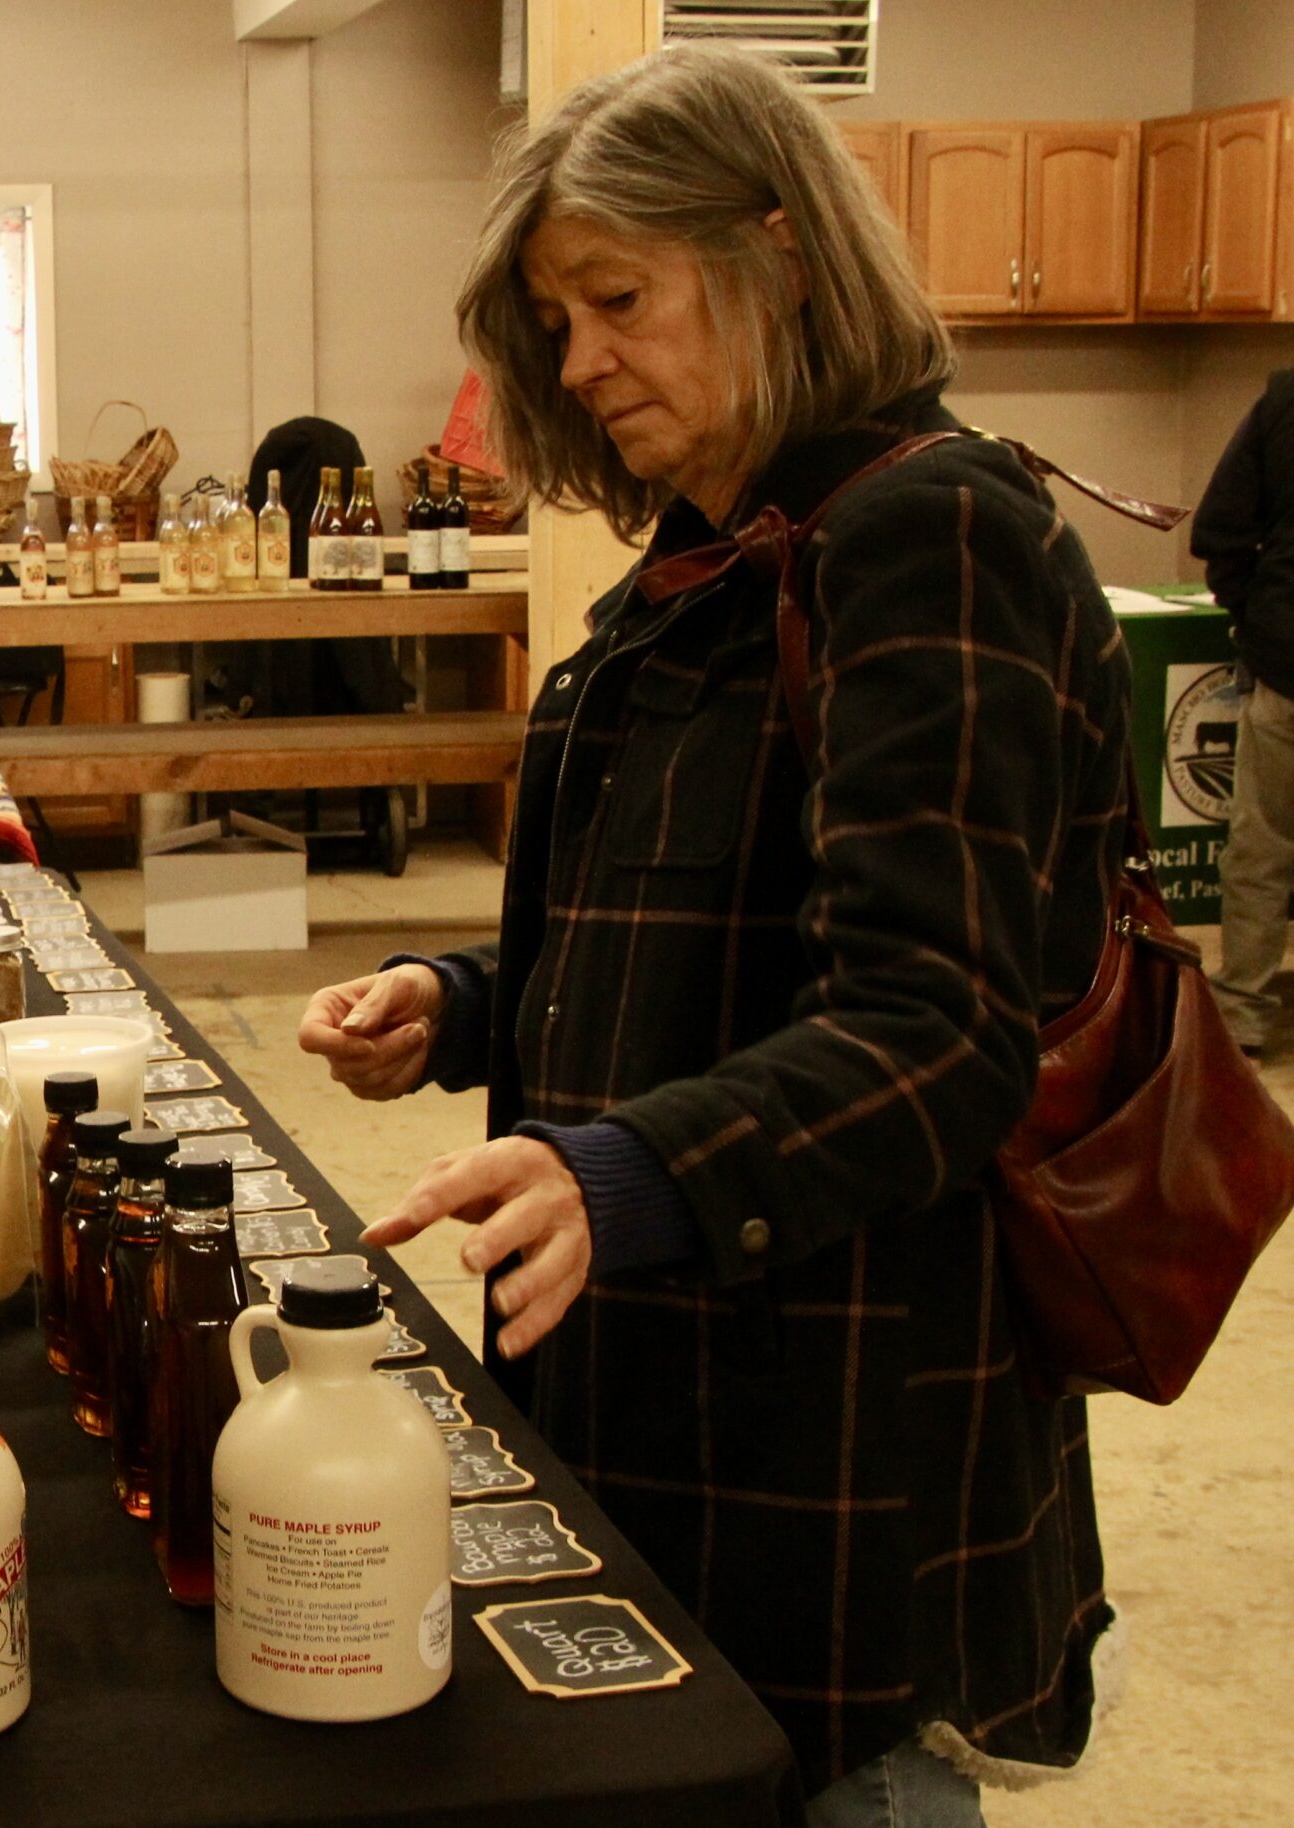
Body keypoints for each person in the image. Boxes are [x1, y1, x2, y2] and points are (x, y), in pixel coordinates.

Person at [298, 47, 1117, 1825]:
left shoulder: (932, 534)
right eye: (560, 317)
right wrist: (458, 1002)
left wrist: (628, 1173)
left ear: (781, 254)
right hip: (661, 1387)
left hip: (832, 1420)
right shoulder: (721, 548)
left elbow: (935, 1028)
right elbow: (701, 937)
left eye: (620, 298)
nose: (583, 360)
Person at [1189, 368, 1294, 1056]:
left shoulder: (1284, 400)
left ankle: (1247, 1012)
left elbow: (1220, 529)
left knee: (1262, 845)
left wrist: (1253, 615)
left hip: (1290, 655)